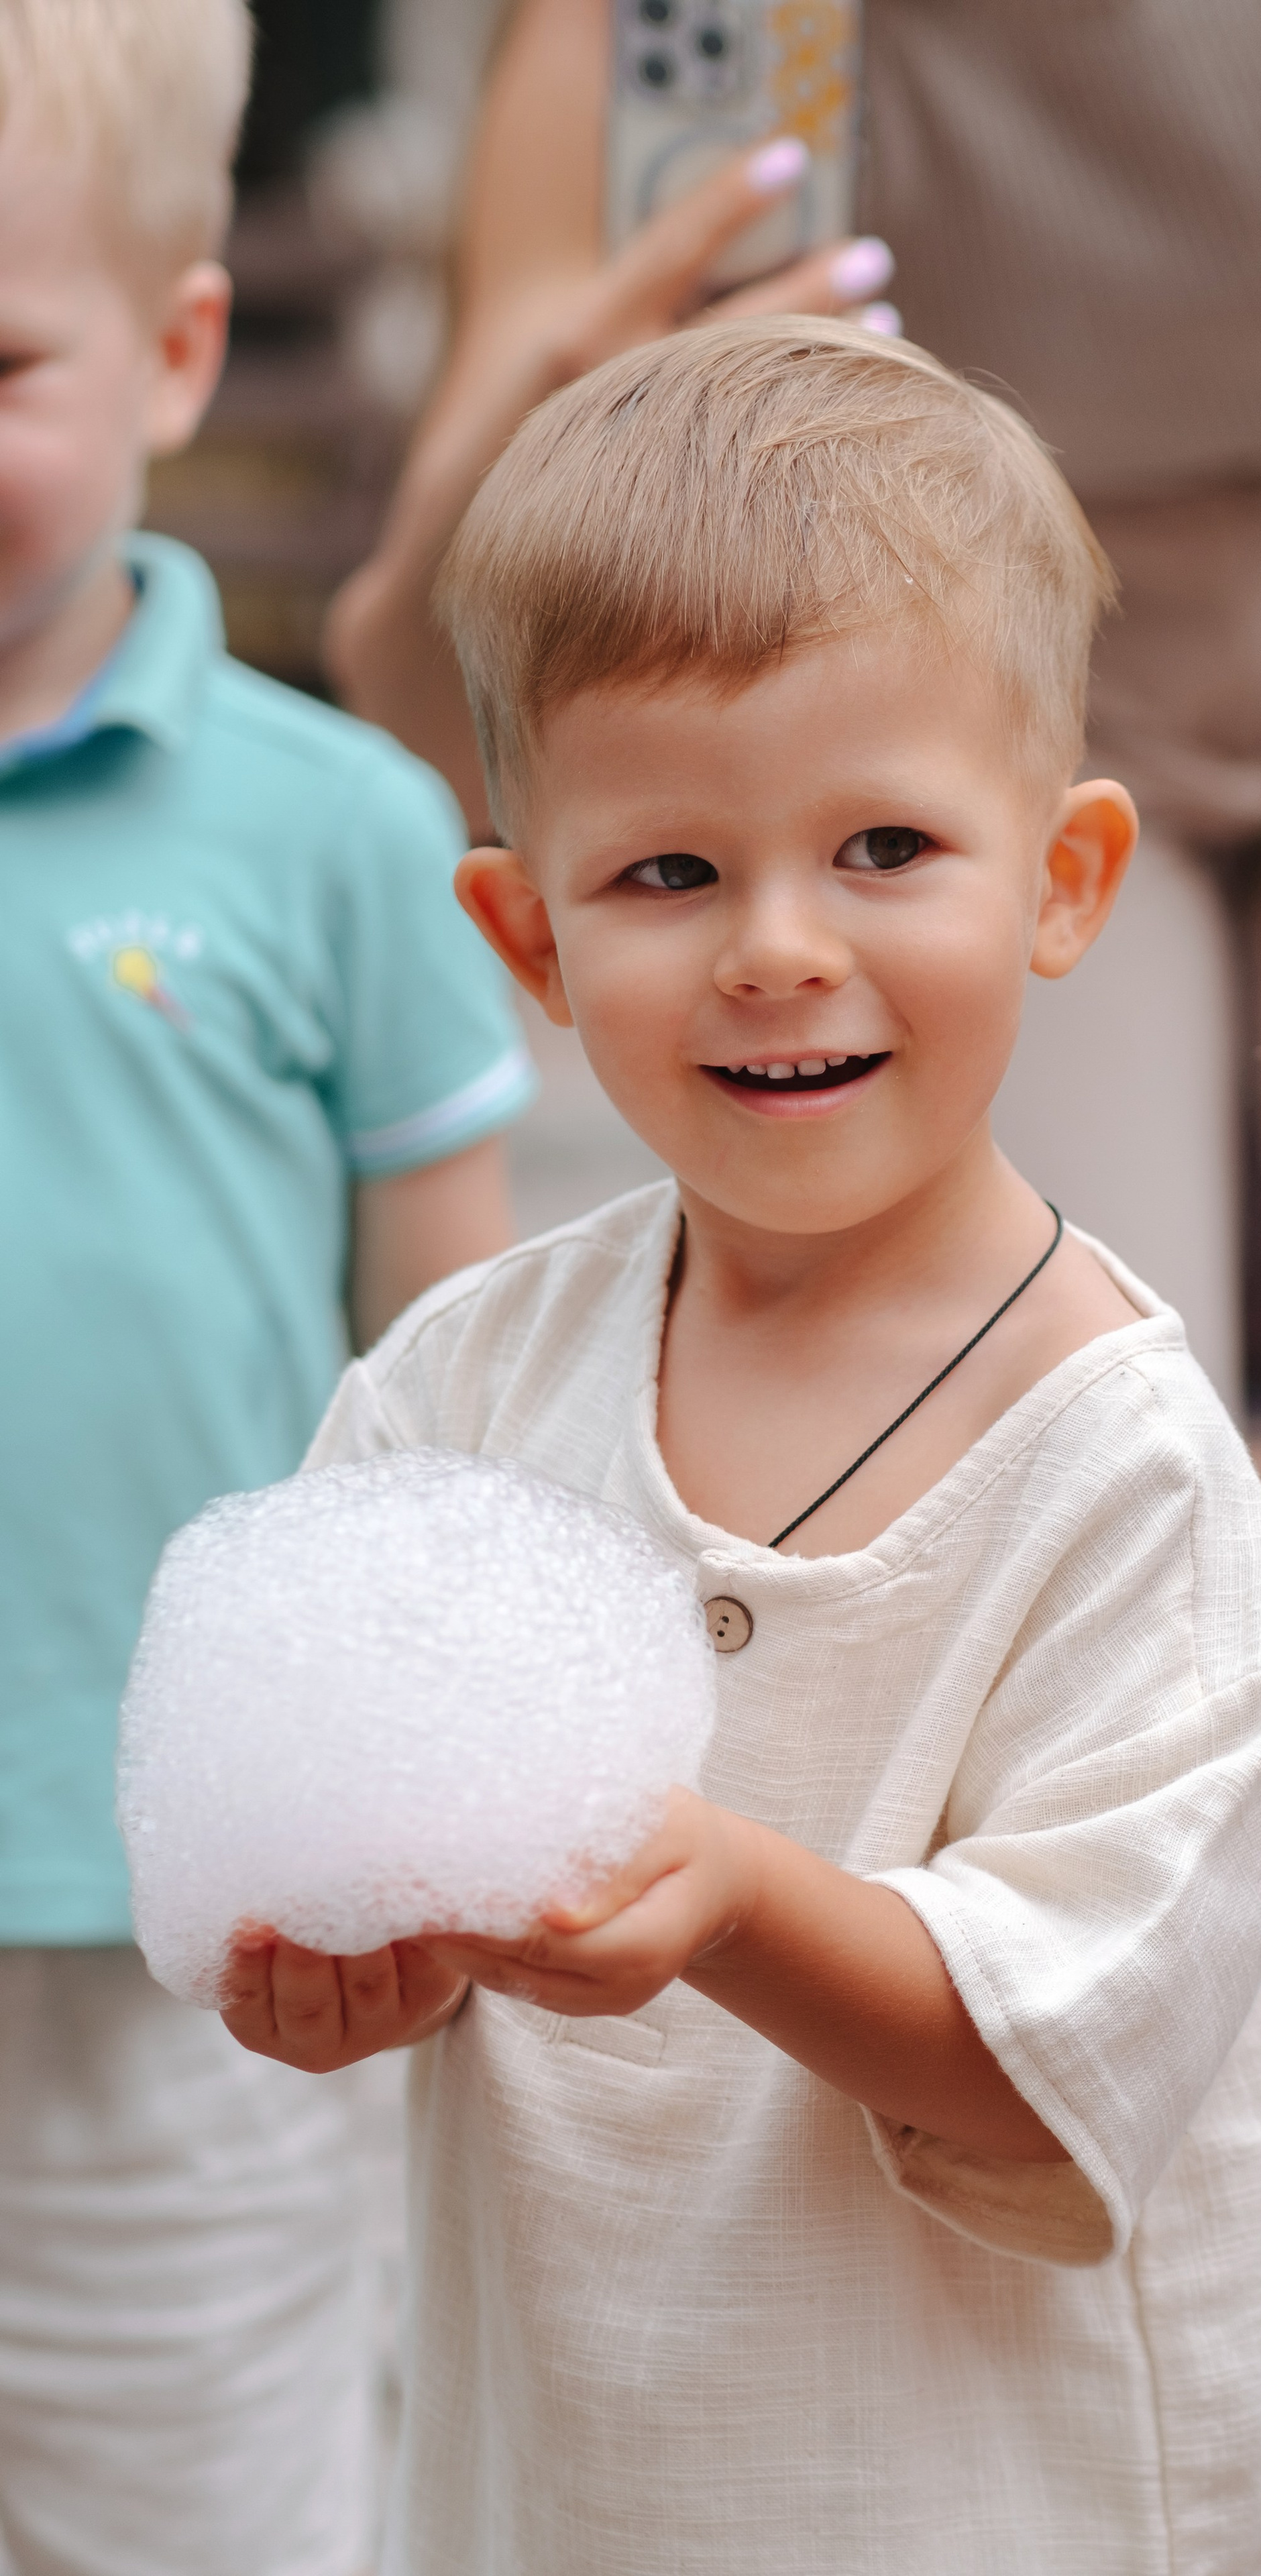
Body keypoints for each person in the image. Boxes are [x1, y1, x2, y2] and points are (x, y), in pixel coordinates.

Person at [331, 5, 1261, 2567]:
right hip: (886, 742)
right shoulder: (686, 27)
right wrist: (524, 409)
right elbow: (455, 664)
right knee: (993, 1441)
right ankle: (911, 2282)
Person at [225, 315, 1261, 2576]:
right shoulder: (461, 1390)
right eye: (669, 877)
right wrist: (329, 1967)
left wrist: (730, 1898)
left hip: (986, 2498)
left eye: (887, 846)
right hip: (581, 2485)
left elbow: (1062, 2052)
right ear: (526, 933)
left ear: (1069, 880)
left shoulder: (1120, 1472)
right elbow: (316, 1862)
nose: (778, 951)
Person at [0, 3, 537, 2566]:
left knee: (187, 2497)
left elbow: (459, 1405)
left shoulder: (335, 833)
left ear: (176, 346)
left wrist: (417, 1803)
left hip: (176, 1909)